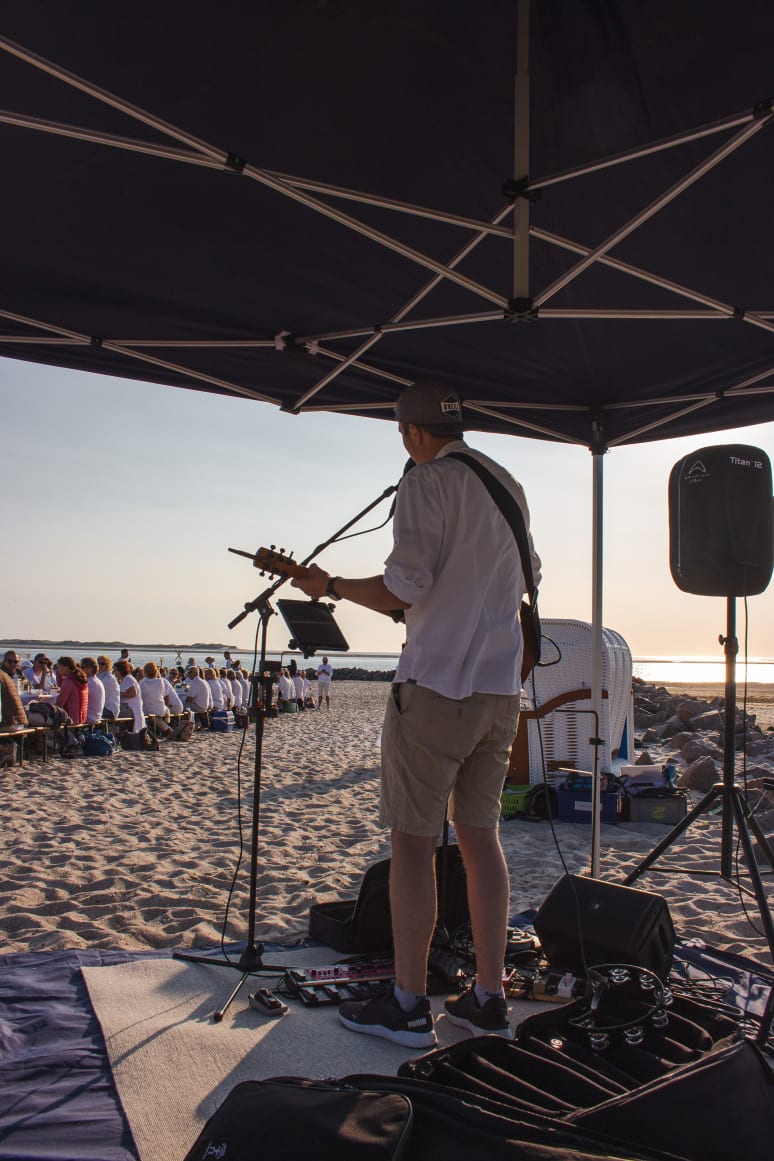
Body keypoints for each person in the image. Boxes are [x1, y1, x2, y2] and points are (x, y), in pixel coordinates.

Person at [292, 379, 541, 1048]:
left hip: (436, 687)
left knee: (412, 845)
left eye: (403, 433)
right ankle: (488, 996)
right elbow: (527, 577)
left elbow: (405, 586)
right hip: (499, 690)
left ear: (413, 433)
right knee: (481, 838)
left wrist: (331, 585)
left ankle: (405, 1003)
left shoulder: (426, 482)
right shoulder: (506, 483)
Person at [140, 661, 173, 737]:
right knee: (164, 710)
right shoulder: (161, 681)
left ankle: (166, 730)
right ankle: (165, 728)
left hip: (148, 709)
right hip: (160, 708)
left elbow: (140, 696)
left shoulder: (143, 682)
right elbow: (164, 695)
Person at [114, 659, 146, 733]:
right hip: (127, 707)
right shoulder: (124, 680)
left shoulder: (128, 679)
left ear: (120, 670)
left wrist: (119, 694)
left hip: (130, 708)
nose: (114, 672)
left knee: (112, 714)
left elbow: (133, 693)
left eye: (115, 670)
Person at [55, 657, 89, 725]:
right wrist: (59, 675)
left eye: (59, 667)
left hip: (71, 718)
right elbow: (61, 684)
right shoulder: (80, 679)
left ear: (66, 667)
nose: (58, 670)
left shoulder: (68, 681)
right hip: (82, 717)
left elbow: (60, 703)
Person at [80, 657, 106, 724]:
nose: (81, 670)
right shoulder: (97, 681)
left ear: (92, 669)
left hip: (90, 717)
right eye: (81, 667)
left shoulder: (89, 682)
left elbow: (78, 698)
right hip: (96, 716)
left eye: (83, 667)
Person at [96, 655, 121, 720]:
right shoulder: (98, 676)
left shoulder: (109, 678)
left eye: (102, 664)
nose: (100, 665)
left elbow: (101, 696)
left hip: (109, 709)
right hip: (102, 707)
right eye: (98, 663)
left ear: (107, 665)